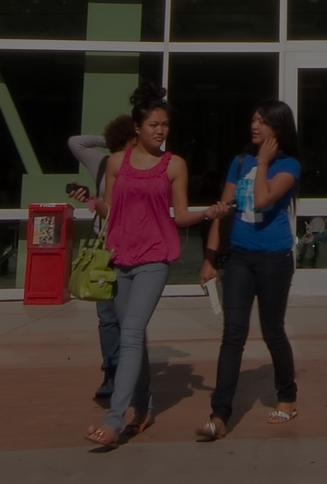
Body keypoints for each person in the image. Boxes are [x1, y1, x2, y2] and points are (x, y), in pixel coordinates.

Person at [78, 84, 226, 449]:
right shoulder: (116, 162)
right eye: (154, 125)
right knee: (132, 337)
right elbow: (111, 211)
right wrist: (92, 202)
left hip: (154, 259)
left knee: (130, 334)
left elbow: (180, 215)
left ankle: (113, 420)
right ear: (137, 128)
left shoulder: (174, 165)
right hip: (118, 258)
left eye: (165, 125)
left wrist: (207, 213)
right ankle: (143, 409)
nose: (160, 131)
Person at [197, 100, 303, 440]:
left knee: (273, 331)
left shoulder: (288, 165)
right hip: (240, 257)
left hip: (274, 258)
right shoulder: (239, 162)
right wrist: (210, 258)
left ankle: (287, 396)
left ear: (278, 128)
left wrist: (263, 163)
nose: (254, 126)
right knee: (233, 334)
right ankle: (219, 415)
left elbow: (262, 200)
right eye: (253, 120)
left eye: (263, 121)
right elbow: (226, 210)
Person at [65, 113, 136, 404]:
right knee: (107, 316)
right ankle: (112, 371)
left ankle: (132, 372)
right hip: (106, 246)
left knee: (130, 316)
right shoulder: (103, 162)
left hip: (134, 246)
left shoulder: (145, 166)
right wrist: (111, 141)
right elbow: (76, 142)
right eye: (132, 140)